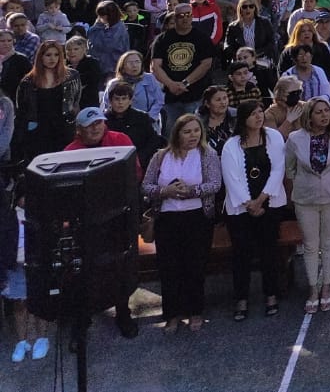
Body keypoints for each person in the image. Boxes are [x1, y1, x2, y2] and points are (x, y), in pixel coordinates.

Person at [61, 106, 141, 338]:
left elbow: (135, 173)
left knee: (120, 266)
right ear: (79, 130)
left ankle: (123, 312)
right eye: (90, 125)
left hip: (118, 216)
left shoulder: (120, 140)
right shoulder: (70, 151)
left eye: (99, 123)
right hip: (85, 221)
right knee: (84, 270)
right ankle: (83, 316)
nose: (96, 128)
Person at [141, 112, 222, 332]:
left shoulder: (208, 155)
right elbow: (146, 186)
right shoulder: (160, 156)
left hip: (197, 218)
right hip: (167, 219)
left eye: (196, 131)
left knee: (195, 266)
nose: (192, 136)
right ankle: (172, 314)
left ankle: (195, 311)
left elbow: (214, 184)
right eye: (187, 132)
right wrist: (164, 191)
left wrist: (192, 191)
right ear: (177, 134)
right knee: (169, 268)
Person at [284, 95, 330, 313]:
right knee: (310, 245)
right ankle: (313, 289)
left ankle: (327, 287)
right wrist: (304, 182)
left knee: (329, 242)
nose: (324, 115)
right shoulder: (296, 139)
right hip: (306, 198)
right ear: (309, 116)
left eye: (326, 111)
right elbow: (290, 167)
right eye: (318, 112)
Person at [220, 99, 287, 321]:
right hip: (241, 209)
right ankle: (241, 298)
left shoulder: (274, 137)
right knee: (242, 254)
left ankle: (271, 294)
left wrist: (261, 200)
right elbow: (231, 178)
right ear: (243, 118)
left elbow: (278, 169)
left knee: (270, 251)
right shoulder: (232, 144)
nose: (259, 117)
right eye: (253, 114)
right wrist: (250, 203)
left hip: (270, 202)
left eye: (260, 112)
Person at [150, 2, 218, 133]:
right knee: (170, 134)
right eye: (181, 15)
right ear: (174, 18)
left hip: (196, 95)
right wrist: (171, 84)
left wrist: (185, 83)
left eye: (188, 14)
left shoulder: (202, 38)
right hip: (170, 97)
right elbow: (155, 66)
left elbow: (206, 64)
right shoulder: (162, 39)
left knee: (196, 134)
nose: (185, 18)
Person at [14, 39, 80, 161]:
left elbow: (75, 101)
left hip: (63, 129)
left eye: (56, 55)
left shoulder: (72, 76)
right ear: (41, 57)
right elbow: (21, 109)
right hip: (38, 131)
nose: (52, 59)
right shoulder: (28, 81)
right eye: (48, 55)